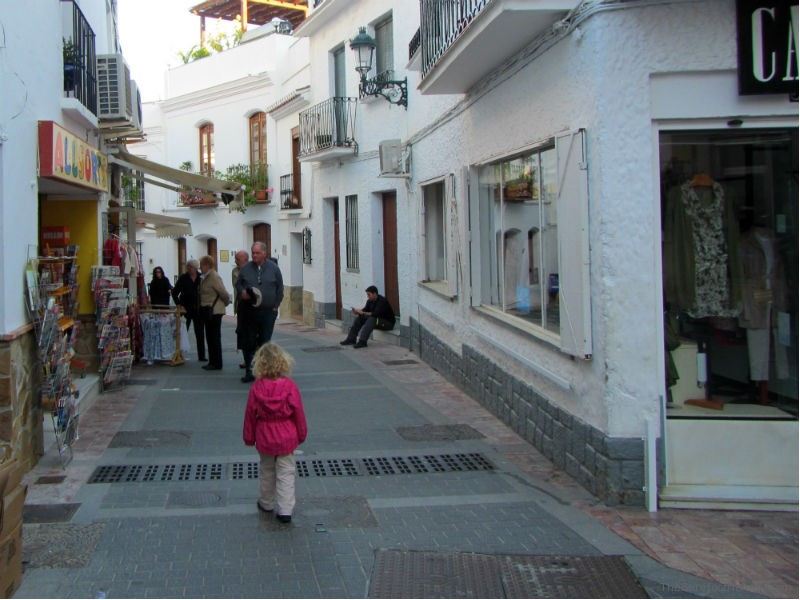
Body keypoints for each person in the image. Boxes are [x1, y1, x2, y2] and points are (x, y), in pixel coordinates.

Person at [242, 342, 307, 524]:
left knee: (267, 469)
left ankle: (266, 502)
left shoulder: (257, 387)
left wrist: (249, 437)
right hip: (286, 434)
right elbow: (298, 413)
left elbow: (250, 415)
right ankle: (285, 509)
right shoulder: (290, 386)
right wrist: (301, 434)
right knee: (286, 471)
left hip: (265, 434)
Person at [235, 242, 284, 383]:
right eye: (253, 253)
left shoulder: (274, 268)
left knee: (265, 342)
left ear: (264, 253)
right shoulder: (246, 269)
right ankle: (250, 371)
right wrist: (242, 292)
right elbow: (238, 284)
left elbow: (280, 288)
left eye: (257, 253)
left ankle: (265, 371)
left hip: (268, 312)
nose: (254, 255)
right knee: (249, 342)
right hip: (250, 311)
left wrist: (275, 306)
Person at [198, 255, 231, 371]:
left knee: (214, 337)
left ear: (207, 265)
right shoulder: (206, 277)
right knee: (210, 336)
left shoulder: (213, 276)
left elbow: (223, 293)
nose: (200, 268)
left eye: (201, 265)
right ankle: (213, 361)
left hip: (215, 311)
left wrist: (226, 303)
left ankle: (217, 363)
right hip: (208, 310)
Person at [172, 259, 206, 361]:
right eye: (188, 267)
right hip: (185, 309)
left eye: (191, 267)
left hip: (198, 309)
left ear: (196, 268)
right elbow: (174, 293)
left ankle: (202, 356)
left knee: (199, 333)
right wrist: (179, 305)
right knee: (182, 332)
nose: (189, 269)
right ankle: (179, 354)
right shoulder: (183, 278)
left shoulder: (201, 277)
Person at [232, 250, 249, 369]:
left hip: (251, 307)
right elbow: (237, 285)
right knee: (241, 333)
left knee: (252, 335)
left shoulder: (252, 270)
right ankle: (246, 359)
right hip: (240, 305)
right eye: (236, 259)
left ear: (245, 259)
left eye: (238, 259)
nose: (236, 261)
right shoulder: (235, 271)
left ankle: (252, 359)